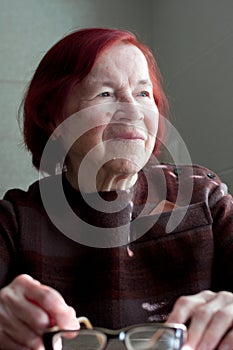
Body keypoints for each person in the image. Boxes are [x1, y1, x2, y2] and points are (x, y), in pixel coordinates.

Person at [0, 27, 233, 350]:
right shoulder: (15, 220)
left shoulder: (203, 197)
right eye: (105, 94)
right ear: (52, 118)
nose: (134, 112)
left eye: (143, 94)